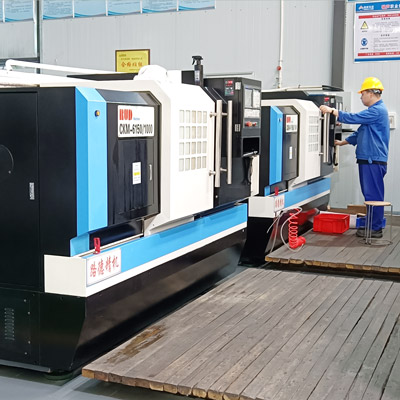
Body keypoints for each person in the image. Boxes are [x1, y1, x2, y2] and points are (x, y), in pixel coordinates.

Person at [320, 77, 390, 238]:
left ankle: (375, 228)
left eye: (362, 94)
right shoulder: (375, 112)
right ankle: (372, 221)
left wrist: (332, 111)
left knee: (373, 195)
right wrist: (342, 142)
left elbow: (354, 118)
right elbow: (360, 132)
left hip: (372, 159)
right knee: (370, 193)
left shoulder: (377, 110)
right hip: (369, 159)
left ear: (371, 93)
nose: (361, 97)